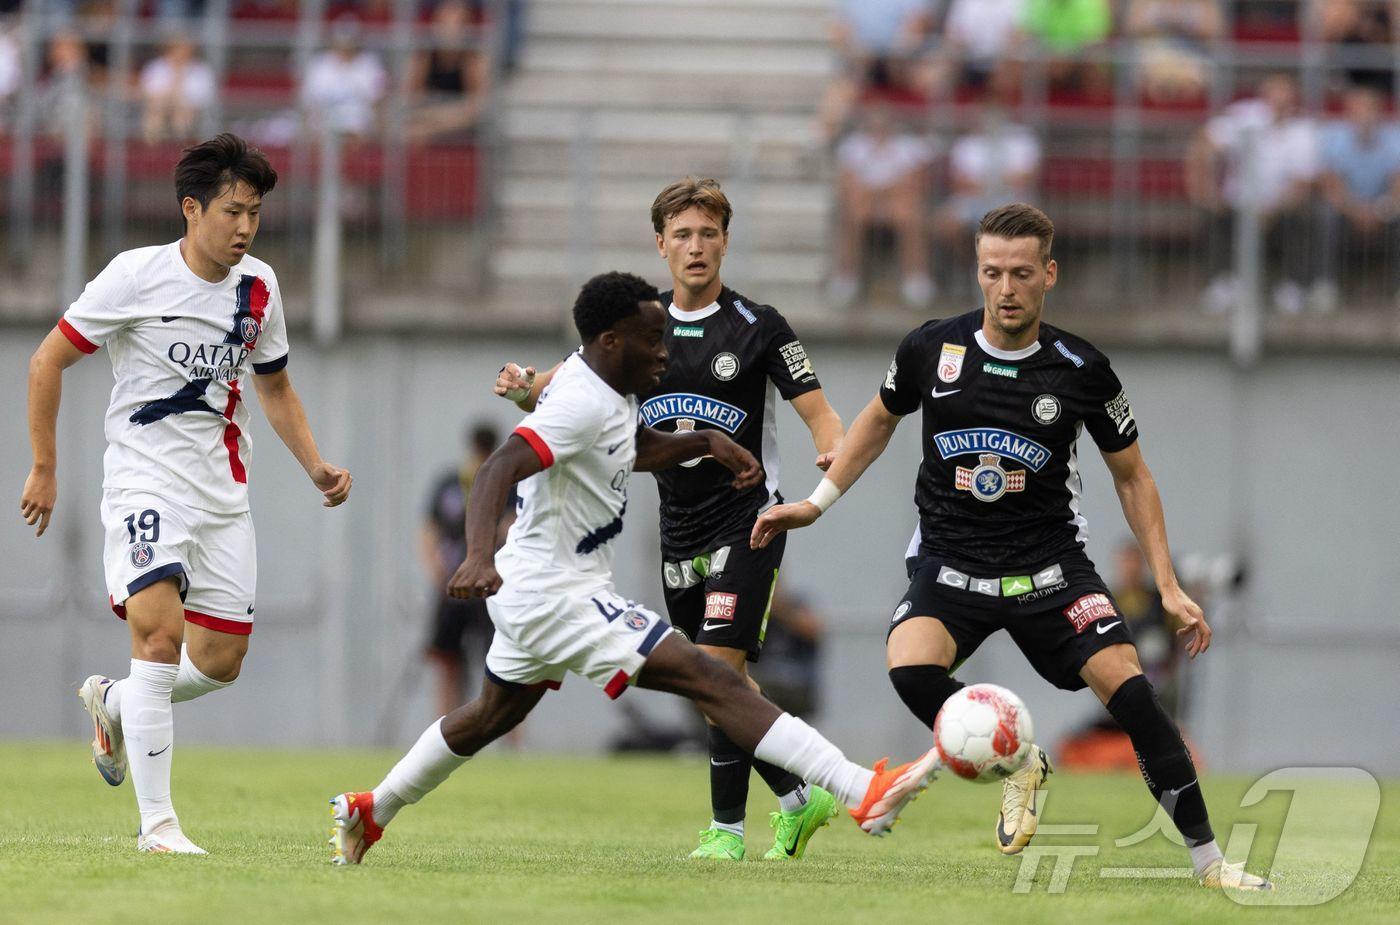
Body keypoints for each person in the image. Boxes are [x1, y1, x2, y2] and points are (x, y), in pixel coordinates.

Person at [329, 272, 937, 865]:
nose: (665, 353)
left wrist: (704, 441)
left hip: (544, 590)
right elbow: (497, 469)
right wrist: (477, 555)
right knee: (713, 679)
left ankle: (371, 809)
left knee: (491, 714)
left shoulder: (610, 392)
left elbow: (635, 447)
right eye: (653, 341)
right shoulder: (578, 403)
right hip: (557, 593)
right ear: (612, 342)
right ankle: (862, 791)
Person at [751, 203, 1272, 892]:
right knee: (910, 669)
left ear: (1049, 274)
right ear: (978, 271)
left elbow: (1133, 476)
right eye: (992, 272)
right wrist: (816, 506)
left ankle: (1212, 864)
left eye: (1022, 273)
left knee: (1139, 700)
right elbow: (878, 421)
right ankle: (1021, 757)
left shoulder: (1081, 368)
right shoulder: (930, 349)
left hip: (1051, 569)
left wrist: (1168, 585)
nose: (1006, 288)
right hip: (949, 559)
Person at [493, 178, 847, 862]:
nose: (695, 246)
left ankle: (726, 831)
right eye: (682, 234)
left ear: (725, 241)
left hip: (749, 521)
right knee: (715, 681)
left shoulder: (758, 326)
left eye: (708, 233)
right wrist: (523, 387)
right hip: (675, 526)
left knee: (713, 665)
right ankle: (802, 797)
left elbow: (818, 407)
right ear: (660, 244)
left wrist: (830, 444)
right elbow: (565, 386)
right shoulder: (638, 326)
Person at [19, 133, 353, 855]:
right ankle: (159, 826)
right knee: (159, 636)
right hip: (145, 479)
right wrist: (45, 466)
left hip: (222, 494)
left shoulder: (259, 288)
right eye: (232, 210)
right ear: (190, 208)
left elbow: (276, 386)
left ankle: (114, 700)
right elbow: (48, 359)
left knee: (220, 661)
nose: (244, 227)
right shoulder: (134, 277)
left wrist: (316, 465)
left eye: (255, 213)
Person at [1186, 73, 1322, 314]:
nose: (1279, 104)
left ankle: (1292, 286)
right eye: (1274, 97)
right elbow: (1204, 144)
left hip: (1280, 208)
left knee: (1303, 217)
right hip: (1237, 204)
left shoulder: (1304, 130)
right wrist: (1206, 189)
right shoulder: (1243, 117)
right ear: (1264, 97)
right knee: (1212, 214)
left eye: (1285, 98)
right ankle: (1224, 283)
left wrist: (1271, 209)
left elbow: (1303, 183)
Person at [420, 423, 513, 719]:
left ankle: (512, 744)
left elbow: (514, 527)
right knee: (447, 661)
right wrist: (435, 569)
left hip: (492, 588)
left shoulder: (506, 483)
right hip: (453, 587)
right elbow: (428, 530)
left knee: (503, 663)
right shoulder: (450, 483)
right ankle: (444, 728)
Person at [1316, 83, 1400, 310]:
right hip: (1346, 208)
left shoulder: (1394, 137)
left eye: (1369, 110)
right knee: (1325, 216)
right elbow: (1331, 183)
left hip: (1383, 208)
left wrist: (1380, 210)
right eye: (1358, 110)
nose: (1364, 117)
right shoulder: (1334, 136)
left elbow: (1397, 183)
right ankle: (1325, 284)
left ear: (1379, 112)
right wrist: (1355, 210)